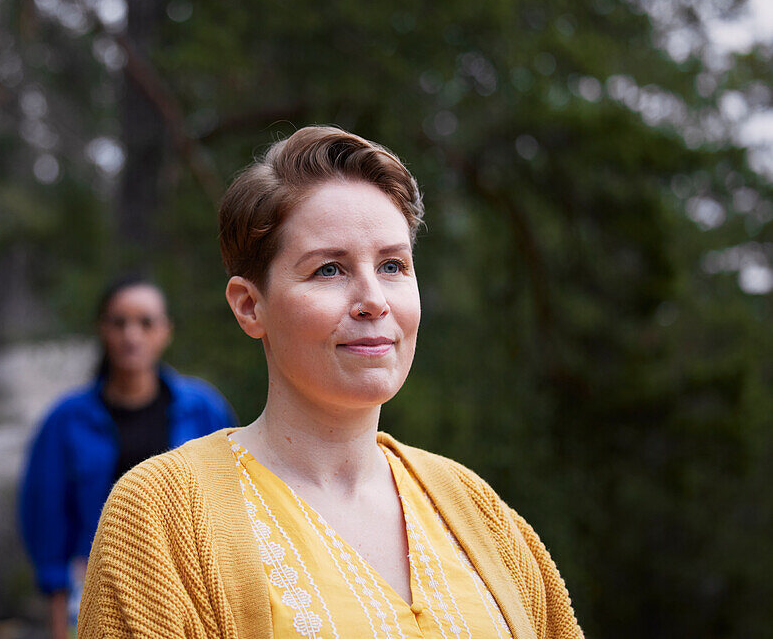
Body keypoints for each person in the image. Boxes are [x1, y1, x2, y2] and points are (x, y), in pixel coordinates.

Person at [78, 127, 583, 638]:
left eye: (392, 265)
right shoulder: (162, 519)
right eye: (329, 270)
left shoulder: (476, 511)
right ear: (250, 306)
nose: (373, 299)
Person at [18, 274, 237, 639]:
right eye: (119, 322)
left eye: (146, 322)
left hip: (190, 583)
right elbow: (45, 519)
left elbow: (231, 498)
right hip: (97, 585)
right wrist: (59, 612)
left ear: (165, 331)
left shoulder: (203, 409)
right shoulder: (65, 421)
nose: (131, 335)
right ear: (102, 330)